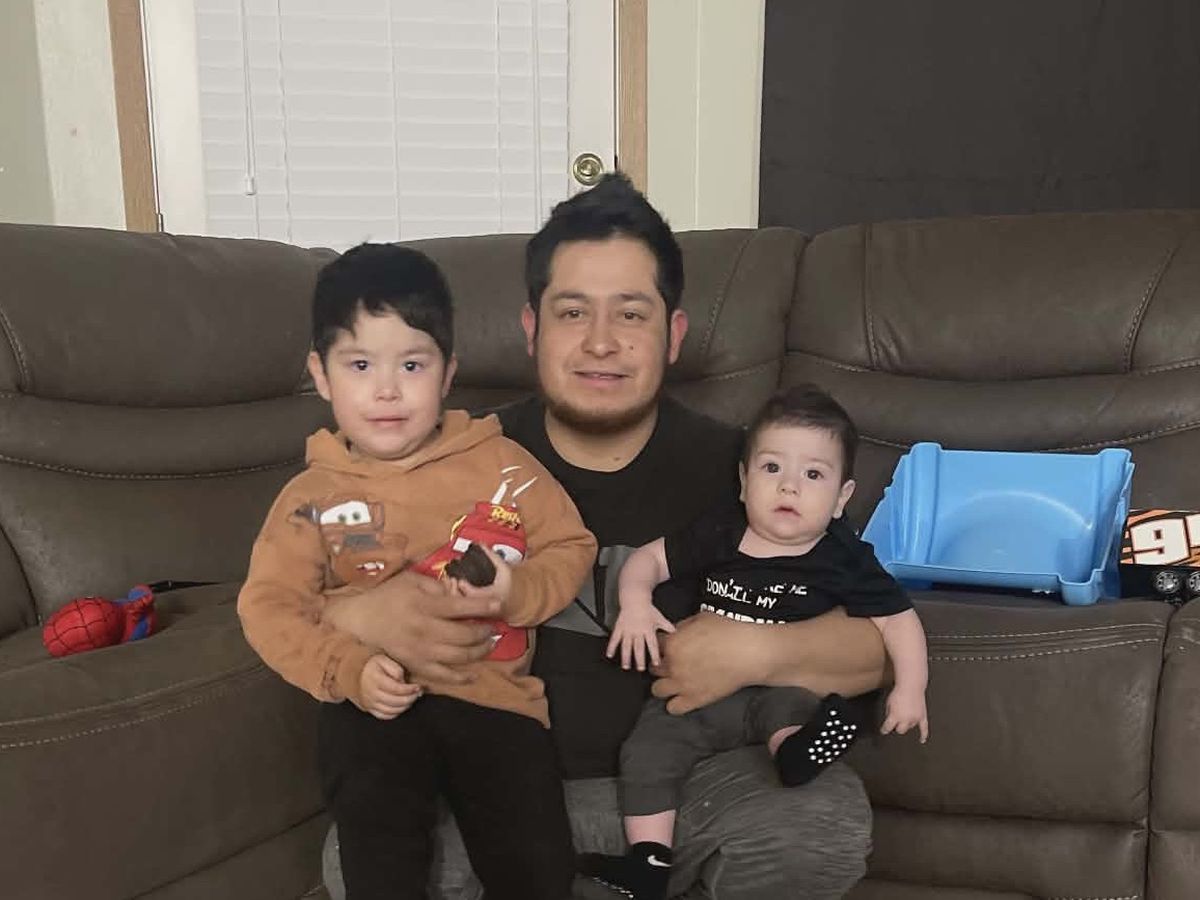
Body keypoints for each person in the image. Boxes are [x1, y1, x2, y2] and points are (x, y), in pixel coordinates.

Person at [324, 174, 889, 900]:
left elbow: (875, 648)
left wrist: (753, 650)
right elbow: (312, 601)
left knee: (820, 820)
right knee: (355, 861)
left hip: (685, 794)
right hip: (489, 795)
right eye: (571, 312)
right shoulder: (450, 459)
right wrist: (370, 612)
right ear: (531, 329)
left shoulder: (750, 472)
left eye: (630, 313)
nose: (600, 342)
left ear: (673, 335)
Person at [237, 244, 596, 900]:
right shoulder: (311, 497)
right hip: (375, 703)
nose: (387, 389)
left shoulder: (502, 465)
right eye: (360, 365)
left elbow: (571, 545)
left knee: (537, 863)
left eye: (411, 364)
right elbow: (268, 606)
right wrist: (345, 668)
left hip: (495, 702)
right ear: (320, 375)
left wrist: (516, 590)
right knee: (378, 850)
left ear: (447, 372)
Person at [578, 384, 929, 900]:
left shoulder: (844, 559)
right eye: (771, 468)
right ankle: (648, 861)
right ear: (744, 482)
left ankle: (798, 752)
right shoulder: (722, 530)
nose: (789, 486)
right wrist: (635, 604)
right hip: (697, 696)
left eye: (813, 475)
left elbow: (898, 620)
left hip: (776, 690)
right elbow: (649, 559)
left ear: (842, 498)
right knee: (647, 749)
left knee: (791, 708)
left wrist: (911, 689)